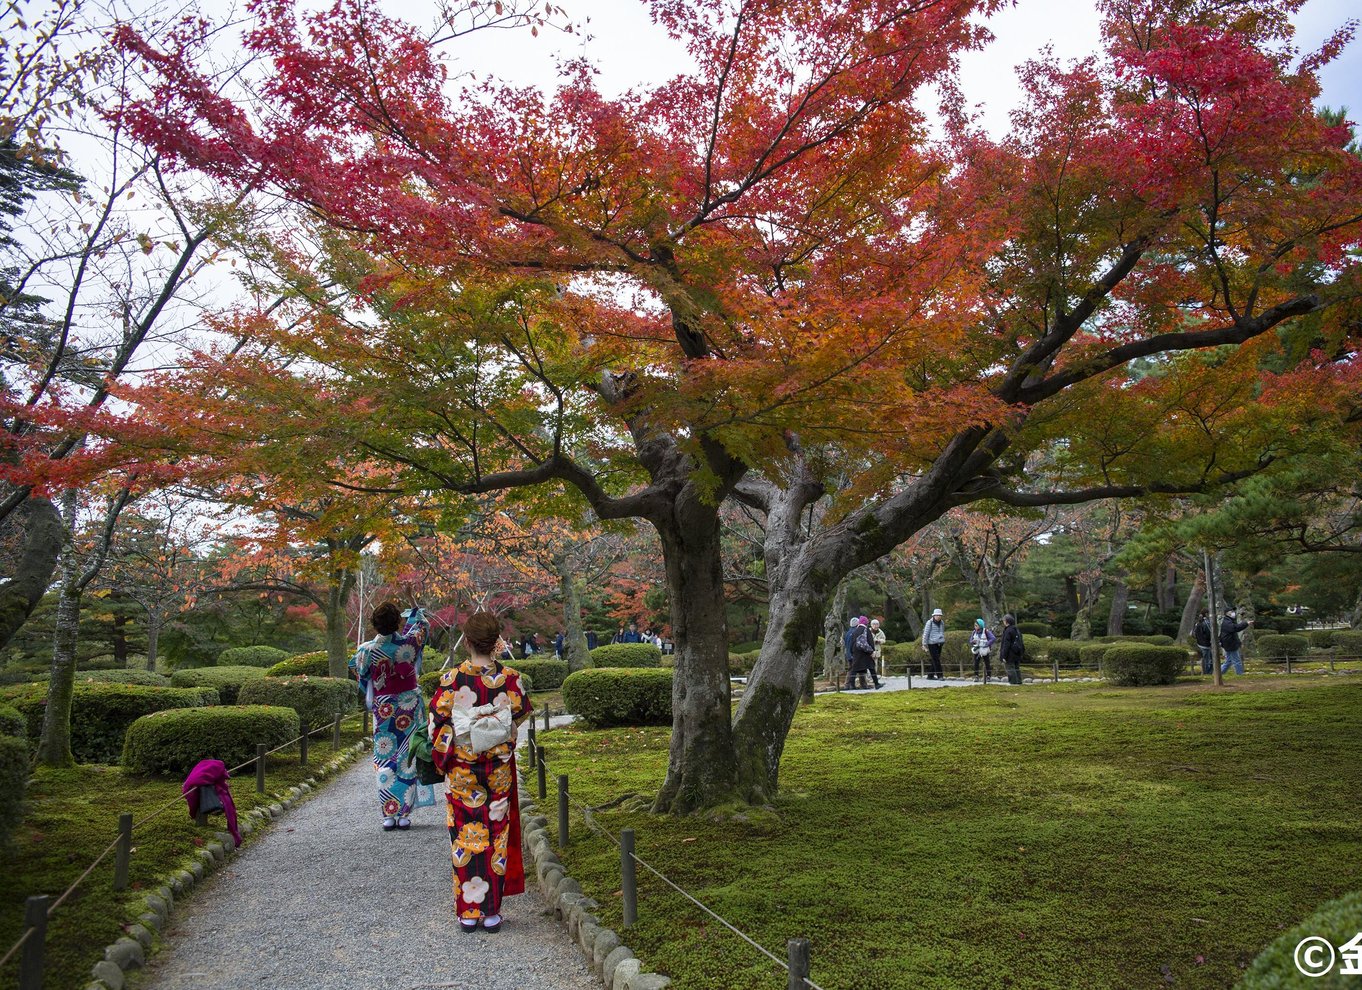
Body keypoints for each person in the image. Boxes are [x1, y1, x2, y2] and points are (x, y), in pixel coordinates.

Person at [429, 610, 532, 932]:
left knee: (465, 835)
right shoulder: (511, 679)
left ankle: (468, 911)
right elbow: (518, 718)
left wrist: (456, 745)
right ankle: (491, 912)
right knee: (496, 833)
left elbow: (437, 724)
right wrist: (496, 731)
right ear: (496, 642)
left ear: (467, 641)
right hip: (498, 768)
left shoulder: (451, 680)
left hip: (462, 770)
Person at [350, 601, 438, 831]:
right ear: (398, 622)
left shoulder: (366, 649)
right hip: (409, 705)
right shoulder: (408, 643)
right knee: (407, 757)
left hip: (383, 708)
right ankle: (405, 814)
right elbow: (421, 626)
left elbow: (360, 673)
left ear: (374, 624)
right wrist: (413, 610)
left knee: (384, 756)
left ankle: (389, 814)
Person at [845, 616, 882, 690]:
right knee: (871, 667)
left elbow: (852, 643)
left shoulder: (855, 631)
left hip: (856, 653)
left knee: (854, 669)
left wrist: (852, 652)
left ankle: (852, 685)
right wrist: (871, 651)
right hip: (865, 653)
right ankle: (877, 684)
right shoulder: (865, 630)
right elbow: (868, 641)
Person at [1219, 608, 1253, 676]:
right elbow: (1235, 628)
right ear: (1227, 613)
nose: (1232, 613)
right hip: (1230, 643)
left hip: (1229, 643)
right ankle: (1240, 674)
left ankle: (1219, 672)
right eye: (1230, 612)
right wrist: (1245, 623)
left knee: (1228, 661)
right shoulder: (1227, 622)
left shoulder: (1228, 621)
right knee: (1237, 660)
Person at [921, 608, 946, 680]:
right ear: (934, 615)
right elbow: (926, 633)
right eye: (937, 615)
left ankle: (930, 675)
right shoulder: (929, 622)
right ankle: (940, 676)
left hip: (940, 643)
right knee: (936, 659)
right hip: (931, 643)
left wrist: (942, 640)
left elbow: (942, 631)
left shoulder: (942, 623)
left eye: (940, 615)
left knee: (935, 659)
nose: (938, 616)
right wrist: (924, 644)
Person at [999, 614, 1025, 685]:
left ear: (1006, 621)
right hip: (1017, 652)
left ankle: (1013, 682)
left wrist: (1004, 655)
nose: (1003, 622)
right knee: (1016, 668)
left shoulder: (1008, 631)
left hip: (1010, 653)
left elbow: (1006, 644)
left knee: (1010, 668)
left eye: (1004, 621)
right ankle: (1019, 681)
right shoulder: (1016, 629)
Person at [1193, 610, 1213, 674]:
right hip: (1206, 644)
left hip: (1199, 643)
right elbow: (1209, 633)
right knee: (1208, 659)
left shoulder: (1197, 623)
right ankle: (1207, 672)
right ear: (1206, 614)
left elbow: (1194, 633)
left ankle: (1206, 672)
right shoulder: (1206, 622)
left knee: (1205, 659)